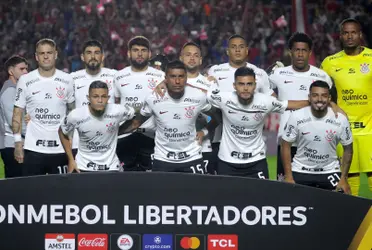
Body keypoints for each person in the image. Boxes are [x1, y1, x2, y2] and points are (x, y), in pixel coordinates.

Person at [207, 67, 309, 178]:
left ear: (255, 86)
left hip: (257, 162)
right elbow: (206, 94)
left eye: (249, 84)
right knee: (227, 196)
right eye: (241, 84)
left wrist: (314, 102)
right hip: (227, 161)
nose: (245, 88)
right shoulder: (224, 99)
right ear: (234, 86)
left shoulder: (265, 101)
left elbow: (289, 104)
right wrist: (211, 82)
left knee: (261, 196)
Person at [121, 60, 218, 173]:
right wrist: (114, 134)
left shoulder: (198, 96)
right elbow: (135, 123)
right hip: (162, 160)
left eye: (181, 77)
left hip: (192, 158)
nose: (177, 81)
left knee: (195, 191)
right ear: (165, 78)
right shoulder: (153, 98)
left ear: (186, 78)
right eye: (172, 77)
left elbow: (217, 118)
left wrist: (204, 132)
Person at [269, 32, 333, 181]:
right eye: (296, 50)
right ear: (290, 52)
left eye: (304, 50)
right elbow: (261, 89)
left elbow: (330, 102)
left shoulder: (322, 76)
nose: (300, 54)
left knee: (312, 189)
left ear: (309, 52)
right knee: (284, 188)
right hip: (285, 142)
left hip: (314, 140)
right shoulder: (278, 74)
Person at [207, 34, 275, 173]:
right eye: (233, 47)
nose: (237, 50)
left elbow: (273, 102)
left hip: (251, 143)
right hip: (220, 139)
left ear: (247, 50)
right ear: (227, 51)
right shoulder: (215, 71)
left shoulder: (260, 74)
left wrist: (271, 143)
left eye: (241, 47)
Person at [321, 18, 372, 196]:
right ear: (340, 36)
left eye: (353, 32)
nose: (350, 36)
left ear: (360, 35)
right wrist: (333, 104)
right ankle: (357, 224)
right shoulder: (330, 62)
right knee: (350, 182)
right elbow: (319, 91)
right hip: (344, 130)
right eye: (346, 33)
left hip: (370, 131)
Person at [12, 38, 75, 176]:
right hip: (33, 149)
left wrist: (70, 138)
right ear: (36, 56)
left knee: (60, 193)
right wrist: (17, 143)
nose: (46, 56)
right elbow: (17, 113)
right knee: (32, 194)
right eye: (42, 53)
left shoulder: (67, 79)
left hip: (60, 149)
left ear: (56, 54)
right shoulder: (25, 80)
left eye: (49, 52)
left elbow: (72, 111)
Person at [281, 81, 352, 193]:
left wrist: (344, 178)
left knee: (341, 204)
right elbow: (285, 145)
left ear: (329, 98)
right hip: (300, 171)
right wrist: (289, 176)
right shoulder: (296, 116)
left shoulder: (341, 119)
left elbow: (348, 149)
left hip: (330, 171)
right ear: (309, 97)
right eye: (315, 95)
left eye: (324, 96)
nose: (319, 99)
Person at [59, 81, 135, 172]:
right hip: (83, 167)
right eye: (95, 97)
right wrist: (71, 160)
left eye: (103, 96)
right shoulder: (76, 115)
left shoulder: (118, 111)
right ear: (88, 98)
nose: (100, 100)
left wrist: (120, 130)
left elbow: (137, 115)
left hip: (111, 167)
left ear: (108, 98)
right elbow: (62, 131)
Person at [114, 36, 165, 171]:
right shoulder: (119, 76)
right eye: (136, 50)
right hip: (125, 137)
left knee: (151, 183)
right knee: (124, 182)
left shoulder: (160, 76)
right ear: (129, 53)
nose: (140, 53)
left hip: (151, 137)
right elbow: (116, 103)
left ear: (149, 54)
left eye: (143, 50)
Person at [70, 40, 117, 153]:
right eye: (89, 53)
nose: (93, 56)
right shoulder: (72, 79)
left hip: (109, 143)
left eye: (96, 53)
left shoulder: (115, 76)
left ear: (102, 56)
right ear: (82, 56)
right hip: (79, 143)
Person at [0, 56, 28, 177]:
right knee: (17, 184)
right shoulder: (10, 91)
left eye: (26, 68)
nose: (26, 72)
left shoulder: (17, 89)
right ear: (11, 71)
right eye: (21, 69)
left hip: (16, 142)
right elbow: (14, 121)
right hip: (12, 144)